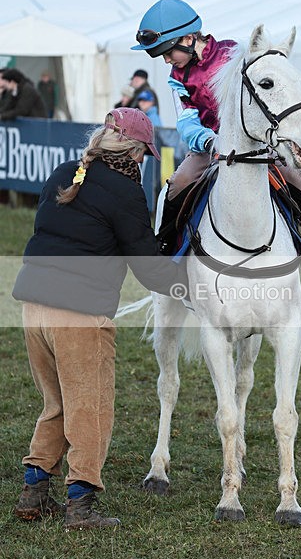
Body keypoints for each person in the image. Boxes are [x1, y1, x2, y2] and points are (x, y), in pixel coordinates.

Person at [12, 108, 184, 530]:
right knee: (91, 409)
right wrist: (194, 280)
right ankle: (81, 506)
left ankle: (33, 491)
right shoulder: (125, 191)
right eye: (144, 153)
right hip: (80, 314)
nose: (144, 162)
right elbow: (148, 268)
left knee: (56, 404)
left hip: (33, 307)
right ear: (133, 150)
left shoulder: (64, 172)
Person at [131, 0, 301, 257]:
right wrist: (206, 140)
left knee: (295, 175)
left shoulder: (235, 55)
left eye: (168, 52)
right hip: (209, 146)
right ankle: (164, 245)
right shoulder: (177, 78)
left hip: (252, 142)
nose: (166, 60)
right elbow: (186, 119)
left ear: (187, 39)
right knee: (178, 183)